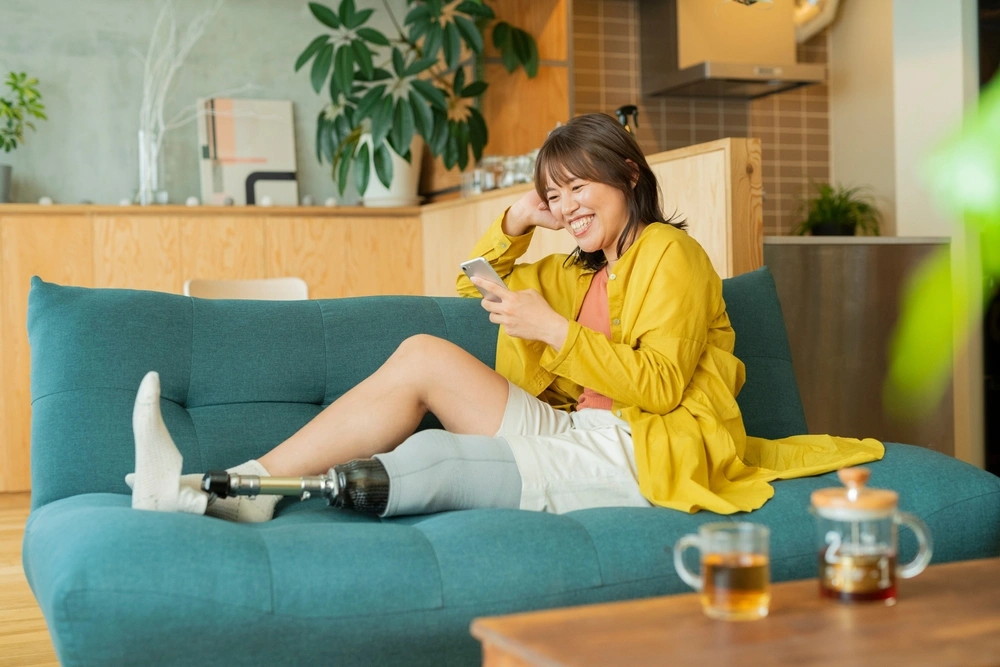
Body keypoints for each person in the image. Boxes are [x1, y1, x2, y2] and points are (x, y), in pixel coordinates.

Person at [129, 113, 884, 522]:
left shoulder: (669, 254)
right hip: (576, 430)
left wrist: (556, 332)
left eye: (578, 186)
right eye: (556, 195)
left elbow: (656, 387)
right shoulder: (573, 268)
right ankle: (244, 485)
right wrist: (522, 217)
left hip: (640, 450)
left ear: (628, 174)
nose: (568, 206)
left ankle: (228, 492)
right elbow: (472, 292)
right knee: (424, 351)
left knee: (435, 460)